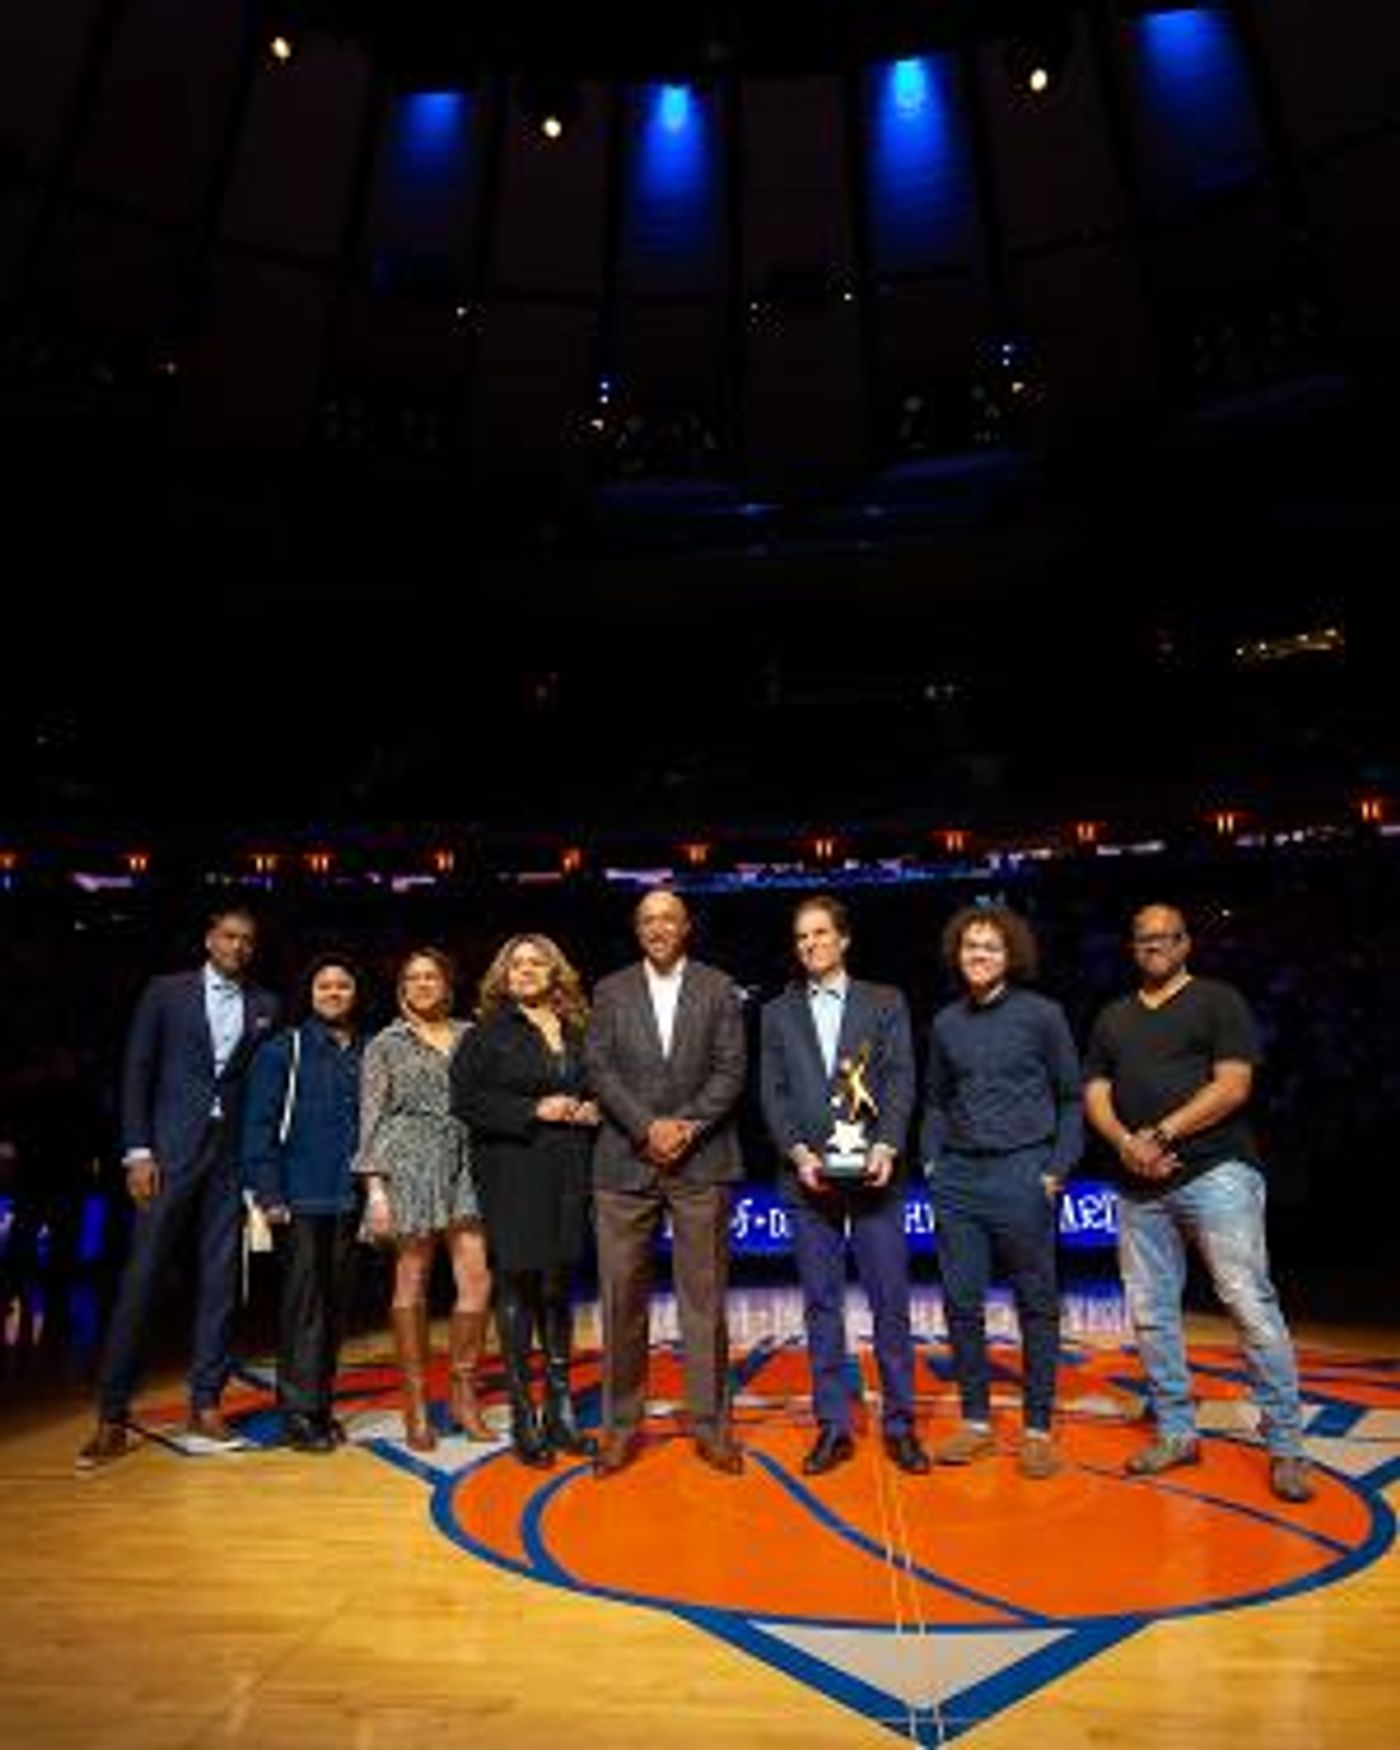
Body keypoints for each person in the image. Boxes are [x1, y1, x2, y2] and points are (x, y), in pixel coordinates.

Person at [1083, 903, 1313, 1503]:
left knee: (1247, 1302)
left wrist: (1160, 1134)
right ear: (1132, 947)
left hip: (1217, 1172)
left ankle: (1287, 1445)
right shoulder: (1113, 1017)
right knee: (1151, 1312)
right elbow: (1096, 1092)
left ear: (1186, 944)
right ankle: (1177, 1432)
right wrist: (1126, 1143)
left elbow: (1233, 1086)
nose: (1155, 945)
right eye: (1144, 938)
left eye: (1166, 937)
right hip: (1138, 1182)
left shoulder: (1217, 1000)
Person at [76, 902, 280, 1469]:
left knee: (220, 1285)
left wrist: (258, 1169)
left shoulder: (266, 1005)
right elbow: (137, 1070)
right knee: (142, 1279)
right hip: (167, 1156)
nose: (238, 946)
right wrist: (137, 1151)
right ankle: (112, 1415)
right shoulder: (165, 992)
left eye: (247, 939)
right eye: (229, 936)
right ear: (209, 939)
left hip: (229, 1160)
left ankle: (205, 1406)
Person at [760, 895, 930, 1476]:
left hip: (876, 1175)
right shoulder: (777, 1013)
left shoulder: (885, 1001)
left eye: (820, 933)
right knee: (821, 1306)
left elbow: (902, 1078)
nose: (809, 944)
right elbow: (773, 1093)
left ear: (844, 939)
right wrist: (798, 1153)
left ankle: (901, 1425)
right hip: (808, 1178)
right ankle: (833, 1426)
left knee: (891, 1303)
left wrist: (887, 1144)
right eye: (801, 937)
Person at [584, 887, 747, 1477]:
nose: (658, 928)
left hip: (701, 1161)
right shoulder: (610, 990)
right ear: (638, 930)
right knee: (621, 1300)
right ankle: (621, 1427)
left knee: (704, 1302)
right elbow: (598, 1067)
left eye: (668, 919)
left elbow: (731, 1069)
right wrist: (646, 1126)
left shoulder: (718, 987)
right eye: (648, 920)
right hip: (625, 1163)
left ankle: (711, 1426)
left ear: (685, 927)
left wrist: (686, 1126)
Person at [919, 904, 1082, 1480]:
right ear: (957, 954)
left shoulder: (1043, 1015)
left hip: (1022, 1172)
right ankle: (976, 1423)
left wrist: (1054, 1170)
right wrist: (933, 1162)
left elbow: (1071, 1099)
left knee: (1036, 1303)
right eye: (970, 947)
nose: (979, 955)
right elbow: (935, 1101)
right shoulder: (945, 1023)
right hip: (959, 1179)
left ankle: (1036, 1430)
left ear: (1010, 955)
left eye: (990, 946)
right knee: (961, 1304)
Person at [452, 934, 601, 1467]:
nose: (527, 971)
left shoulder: (578, 1030)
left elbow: (599, 1086)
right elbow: (466, 1101)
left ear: (554, 973)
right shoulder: (485, 1034)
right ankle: (523, 1415)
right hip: (513, 1170)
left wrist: (593, 1108)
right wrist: (533, 1110)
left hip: (570, 1169)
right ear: (504, 974)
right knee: (518, 1281)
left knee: (559, 1283)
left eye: (537, 963)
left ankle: (561, 1412)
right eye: (517, 964)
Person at [357, 948, 491, 1453]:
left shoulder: (471, 1035)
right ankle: (415, 1405)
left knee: (476, 1277)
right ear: (401, 988)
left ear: (447, 984)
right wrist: (375, 1191)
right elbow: (371, 1118)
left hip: (464, 1158)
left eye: (431, 975)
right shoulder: (385, 1044)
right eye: (412, 977)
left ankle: (463, 1394)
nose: (422, 983)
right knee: (412, 1275)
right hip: (408, 1161)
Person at [241, 954, 365, 1453]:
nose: (334, 993)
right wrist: (269, 1193)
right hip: (300, 1197)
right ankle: (298, 1413)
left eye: (343, 985)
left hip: (349, 1199)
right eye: (324, 986)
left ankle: (320, 1407)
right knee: (303, 1310)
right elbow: (258, 1126)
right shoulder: (283, 1050)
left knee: (336, 1309)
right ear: (309, 994)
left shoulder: (366, 1050)